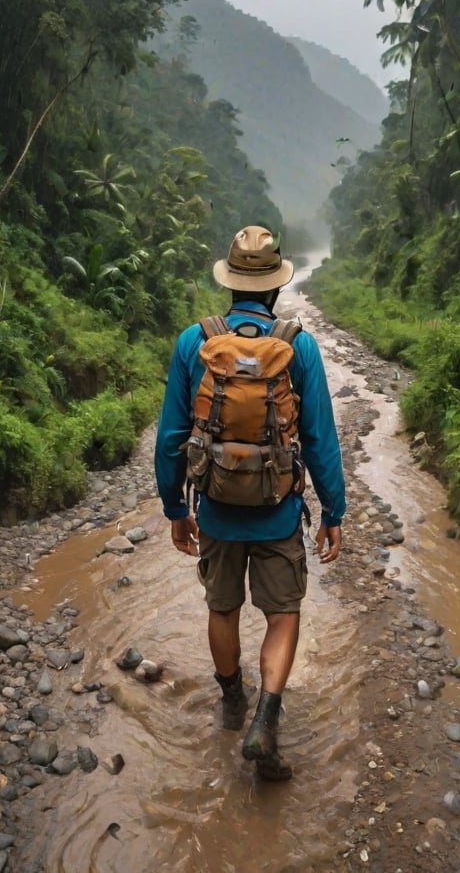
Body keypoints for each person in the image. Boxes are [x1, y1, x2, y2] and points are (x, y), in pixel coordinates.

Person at [154, 225, 346, 781]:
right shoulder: (299, 344)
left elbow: (171, 436)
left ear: (231, 284)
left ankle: (231, 701)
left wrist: (174, 508)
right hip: (279, 511)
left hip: (214, 507)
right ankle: (267, 718)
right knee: (283, 613)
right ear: (276, 287)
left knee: (222, 608)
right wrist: (333, 512)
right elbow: (319, 438)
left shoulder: (195, 341)